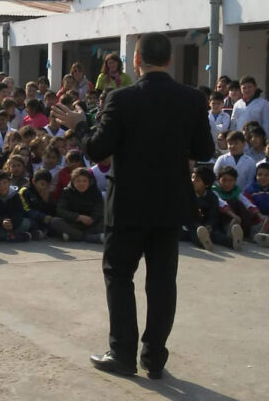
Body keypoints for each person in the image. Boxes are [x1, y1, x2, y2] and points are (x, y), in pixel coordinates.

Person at [52, 32, 214, 379]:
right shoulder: (192, 98)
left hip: (128, 204)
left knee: (119, 274)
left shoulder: (121, 98)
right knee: (162, 281)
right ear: (169, 60)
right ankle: (154, 357)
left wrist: (81, 126)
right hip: (169, 203)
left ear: (136, 61)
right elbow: (204, 150)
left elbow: (97, 149)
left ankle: (122, 353)